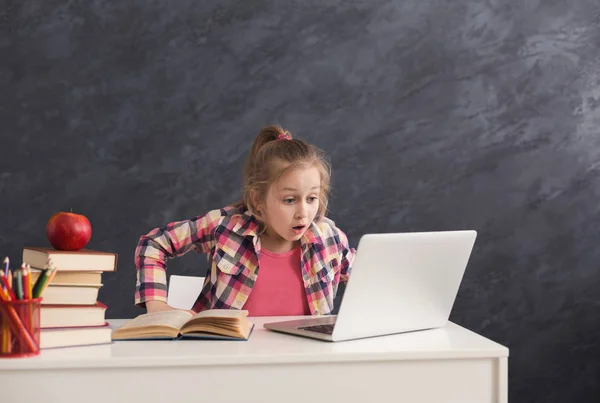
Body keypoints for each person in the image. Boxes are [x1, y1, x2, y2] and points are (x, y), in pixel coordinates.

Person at [134, 125, 356, 316]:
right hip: (229, 359)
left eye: (311, 198)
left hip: (303, 361)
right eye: (290, 200)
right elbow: (154, 243)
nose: (303, 213)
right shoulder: (226, 227)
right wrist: (156, 306)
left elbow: (373, 277)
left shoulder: (329, 239)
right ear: (257, 199)